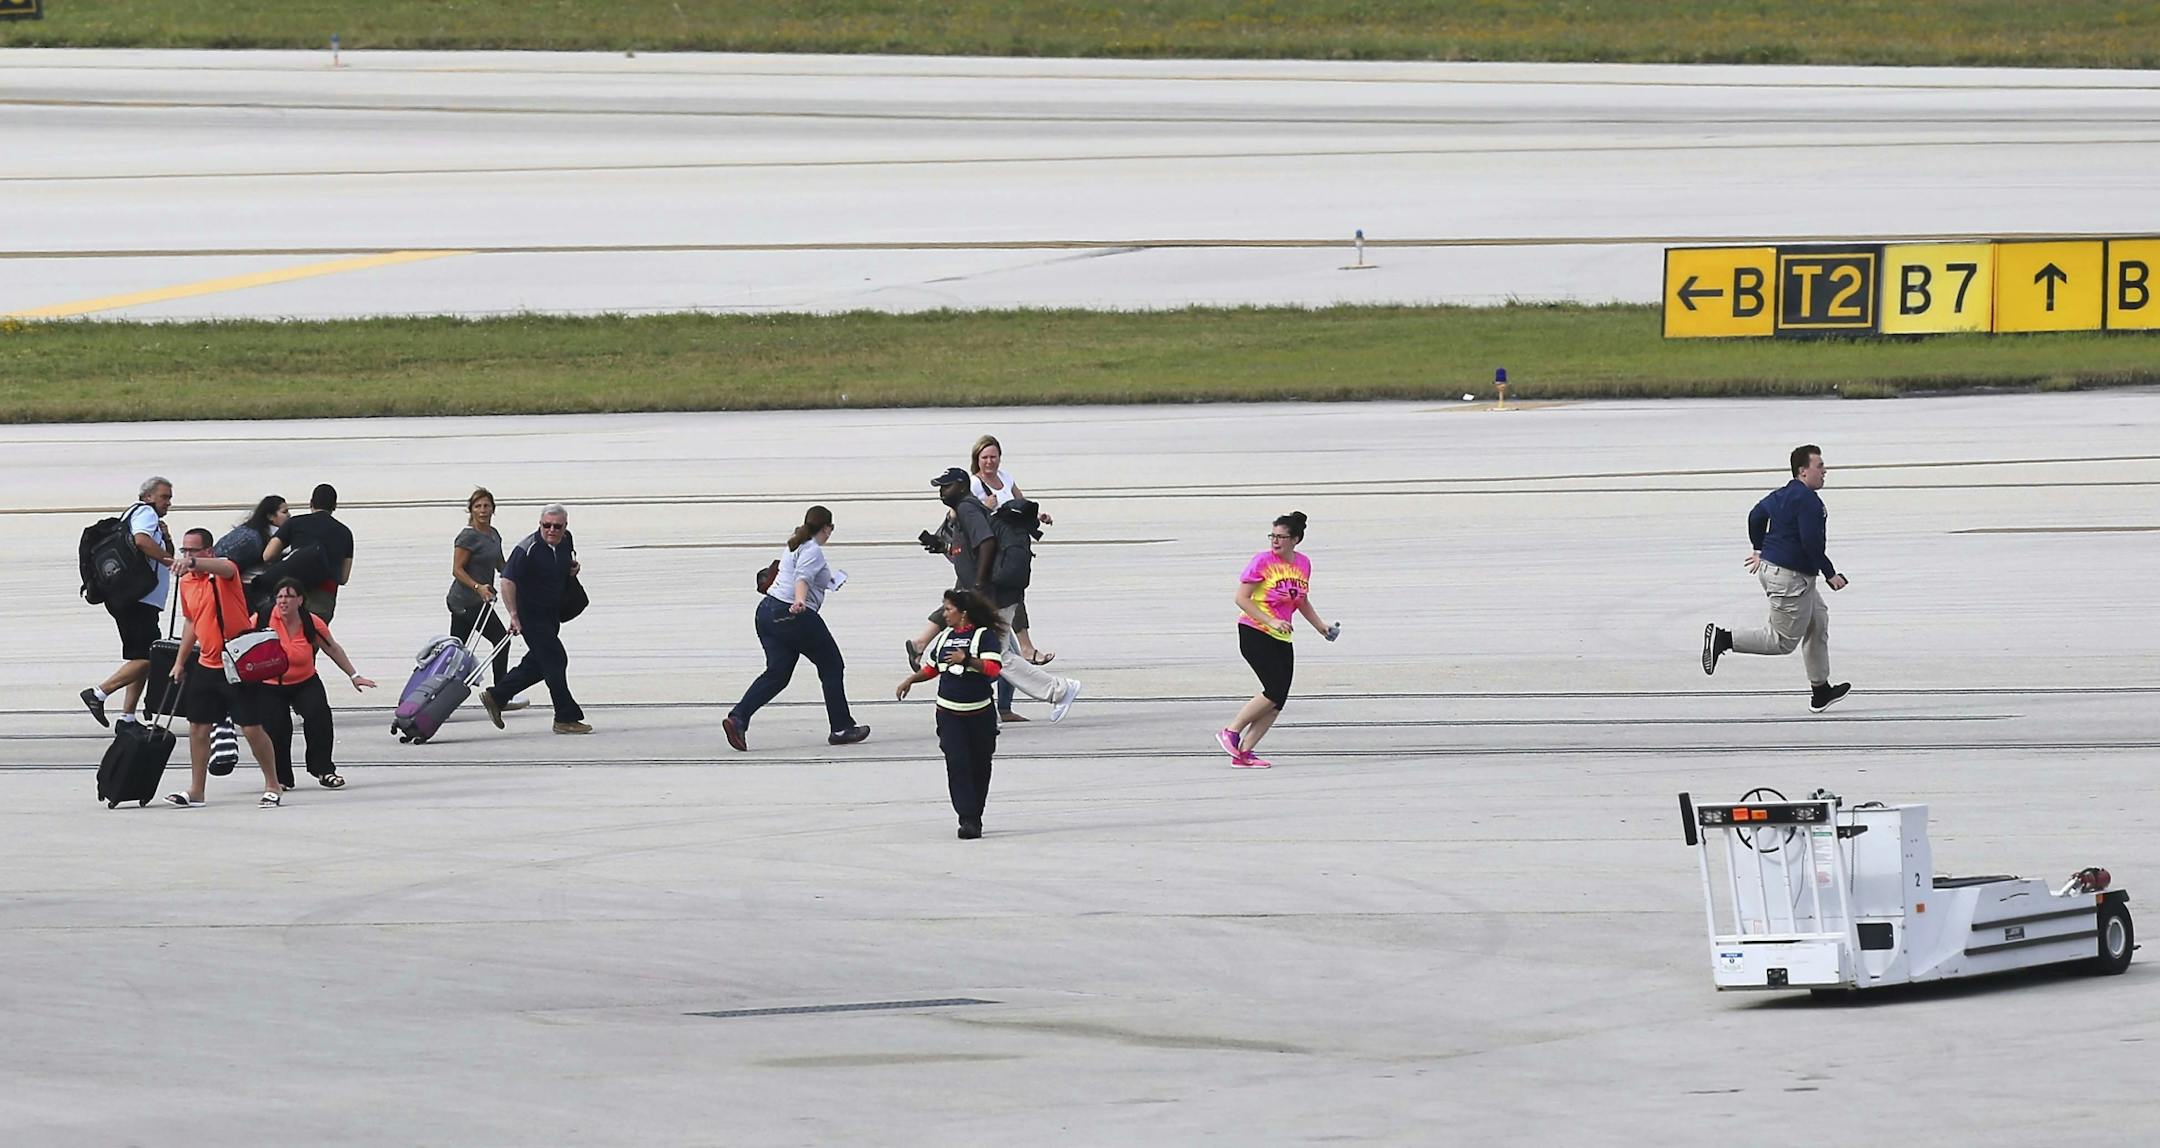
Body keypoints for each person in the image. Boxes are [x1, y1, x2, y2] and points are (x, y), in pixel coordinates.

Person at [908, 468, 1081, 722]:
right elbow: (970, 550)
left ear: (960, 485)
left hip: (993, 595)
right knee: (991, 651)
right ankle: (991, 706)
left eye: (945, 487)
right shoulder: (969, 509)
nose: (941, 492)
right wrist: (943, 547)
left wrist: (979, 584)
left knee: (999, 655)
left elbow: (987, 542)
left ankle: (1060, 690)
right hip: (994, 593)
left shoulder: (967, 508)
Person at [1702, 444, 1853, 713]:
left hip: (1782, 572)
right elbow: (1811, 543)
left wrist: (1759, 548)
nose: (1825, 471)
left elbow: (1755, 516)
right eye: (1820, 466)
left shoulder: (1782, 494)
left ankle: (1820, 691)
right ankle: (1723, 639)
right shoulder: (1808, 500)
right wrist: (1830, 573)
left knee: (1817, 620)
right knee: (1782, 641)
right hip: (1790, 579)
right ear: (1803, 471)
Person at [722, 506, 871, 751]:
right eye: (830, 529)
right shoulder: (812, 550)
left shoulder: (795, 545)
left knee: (778, 673)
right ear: (826, 528)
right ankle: (841, 727)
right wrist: (800, 601)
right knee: (832, 665)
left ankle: (738, 718)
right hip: (792, 615)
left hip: (766, 612)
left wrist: (832, 582)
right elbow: (801, 578)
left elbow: (808, 577)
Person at [163, 529, 286, 808]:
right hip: (207, 663)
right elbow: (191, 622)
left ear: (209, 551)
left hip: (236, 662)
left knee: (252, 727)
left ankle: (272, 784)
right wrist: (180, 662)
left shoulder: (222, 572)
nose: (187, 556)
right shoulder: (187, 583)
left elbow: (227, 566)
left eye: (193, 551)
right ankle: (197, 790)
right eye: (185, 551)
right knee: (198, 727)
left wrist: (194, 564)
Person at [1218, 511, 1338, 769]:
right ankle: (1231, 731)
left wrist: (1321, 627)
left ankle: (1244, 754)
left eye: (1281, 537)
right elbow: (1242, 598)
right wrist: (1269, 620)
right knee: (1273, 690)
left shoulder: (1303, 563)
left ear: (1295, 539)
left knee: (1279, 698)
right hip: (1255, 631)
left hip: (1282, 635)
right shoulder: (1262, 561)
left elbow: (1301, 600)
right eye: (1272, 535)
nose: (1275, 541)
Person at [895, 590, 1008, 839]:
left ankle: (976, 814)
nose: (944, 614)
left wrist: (966, 659)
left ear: (963, 613)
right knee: (957, 764)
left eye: (948, 609)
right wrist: (911, 679)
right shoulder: (945, 636)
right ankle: (966, 818)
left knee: (980, 765)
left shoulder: (983, 636)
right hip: (949, 714)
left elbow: (993, 669)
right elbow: (933, 668)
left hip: (979, 714)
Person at [969, 435, 1059, 721]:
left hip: (1013, 556)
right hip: (994, 562)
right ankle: (1003, 700)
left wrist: (1039, 517)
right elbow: (965, 516)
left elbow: (1022, 505)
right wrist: (986, 504)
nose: (990, 461)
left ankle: (1001, 705)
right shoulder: (973, 485)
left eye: (994, 456)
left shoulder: (1006, 478)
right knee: (1002, 645)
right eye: (985, 457)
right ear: (977, 459)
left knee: (1003, 645)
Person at [256, 577, 376, 790]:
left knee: (319, 717)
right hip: (271, 685)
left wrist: (354, 675)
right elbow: (240, 641)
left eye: (289, 596)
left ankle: (324, 770)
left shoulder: (311, 622)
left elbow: (333, 649)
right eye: (280, 596)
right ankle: (281, 778)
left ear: (300, 600)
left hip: (305, 680)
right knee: (277, 729)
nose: (283, 601)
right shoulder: (263, 618)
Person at [480, 504, 589, 734]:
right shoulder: (526, 549)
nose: (551, 530)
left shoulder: (566, 540)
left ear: (565, 526)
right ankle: (565, 717)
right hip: (531, 616)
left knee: (538, 664)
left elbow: (565, 561)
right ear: (540, 524)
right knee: (556, 660)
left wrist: (573, 569)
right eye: (546, 525)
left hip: (552, 615)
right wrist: (514, 616)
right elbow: (507, 581)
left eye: (556, 526)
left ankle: (496, 696)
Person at [81, 476, 175, 728]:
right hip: (138, 599)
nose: (169, 502)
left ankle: (127, 717)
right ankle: (98, 693)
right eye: (164, 497)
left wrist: (166, 541)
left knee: (140, 657)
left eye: (170, 498)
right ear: (148, 497)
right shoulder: (145, 513)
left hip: (136, 599)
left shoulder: (139, 516)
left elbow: (154, 546)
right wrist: (170, 561)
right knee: (151, 657)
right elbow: (142, 541)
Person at [447, 487, 520, 704]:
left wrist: (519, 580)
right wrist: (478, 586)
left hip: (480, 601)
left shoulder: (493, 534)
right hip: (465, 602)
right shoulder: (468, 536)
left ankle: (438, 696)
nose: (482, 510)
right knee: (500, 642)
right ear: (471, 510)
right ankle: (500, 696)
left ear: (493, 509)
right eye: (478, 506)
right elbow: (457, 569)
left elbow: (501, 565)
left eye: (486, 506)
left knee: (456, 652)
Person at [261, 483, 355, 621]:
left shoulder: (295, 523)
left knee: (288, 637)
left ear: (311, 503)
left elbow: (268, 555)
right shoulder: (345, 533)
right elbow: (343, 578)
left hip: (294, 590)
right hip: (325, 594)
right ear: (334, 506)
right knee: (313, 637)